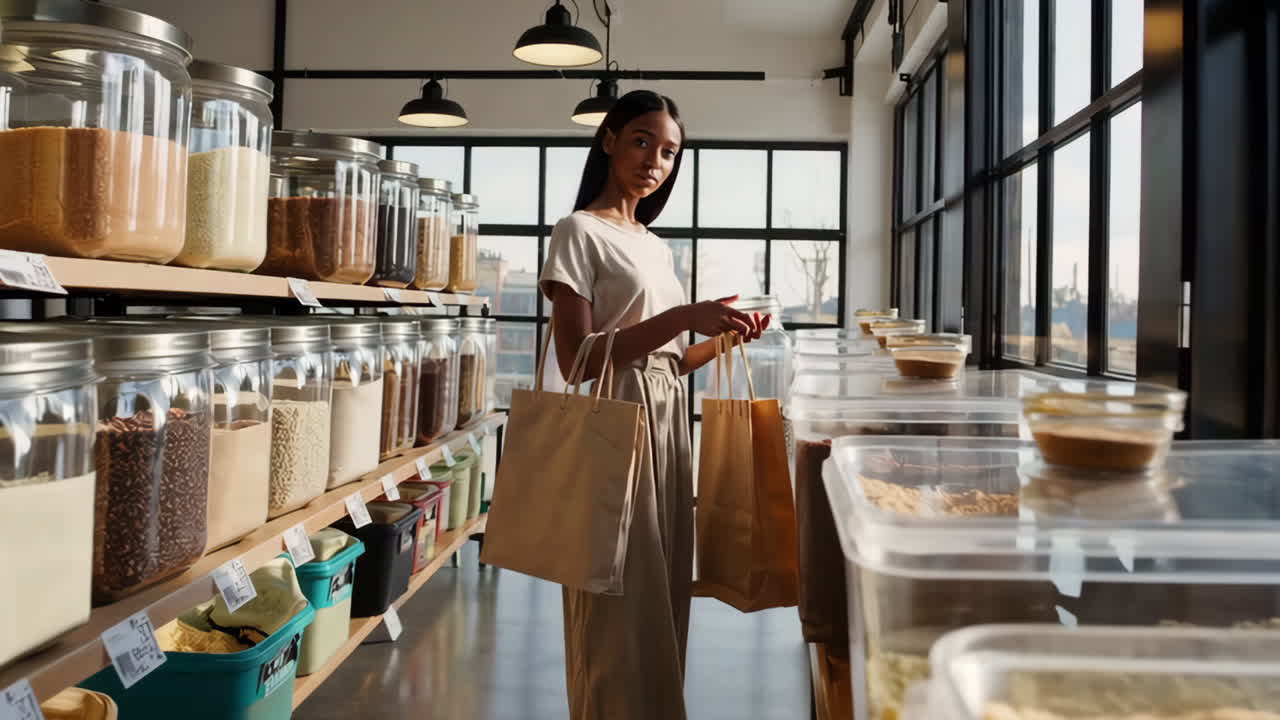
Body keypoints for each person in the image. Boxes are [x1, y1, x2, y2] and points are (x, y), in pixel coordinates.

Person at [539, 90, 768, 719]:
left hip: (666, 419)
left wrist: (720, 337)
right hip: (615, 418)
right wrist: (682, 316)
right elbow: (578, 358)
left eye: (669, 151)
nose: (655, 161)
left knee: (664, 589)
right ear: (609, 139)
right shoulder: (577, 231)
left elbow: (668, 359)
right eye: (642, 141)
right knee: (617, 593)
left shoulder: (653, 243)